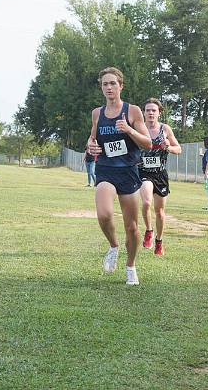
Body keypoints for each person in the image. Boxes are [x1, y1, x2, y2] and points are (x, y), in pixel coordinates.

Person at [86, 67, 151, 285]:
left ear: (121, 86)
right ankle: (113, 246)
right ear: (101, 87)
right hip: (106, 170)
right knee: (104, 214)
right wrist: (90, 147)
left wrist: (129, 130)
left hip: (128, 172)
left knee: (132, 227)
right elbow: (92, 140)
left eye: (113, 83)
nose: (109, 87)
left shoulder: (132, 111)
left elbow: (148, 143)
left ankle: (131, 266)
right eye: (105, 84)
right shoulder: (97, 113)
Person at [138, 98, 181, 256]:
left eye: (153, 110)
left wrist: (168, 147)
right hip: (143, 173)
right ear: (143, 112)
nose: (150, 113)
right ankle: (149, 231)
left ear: (159, 113)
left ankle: (159, 241)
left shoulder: (165, 129)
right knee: (146, 201)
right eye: (148, 110)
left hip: (160, 174)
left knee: (160, 212)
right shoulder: (139, 128)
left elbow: (179, 149)